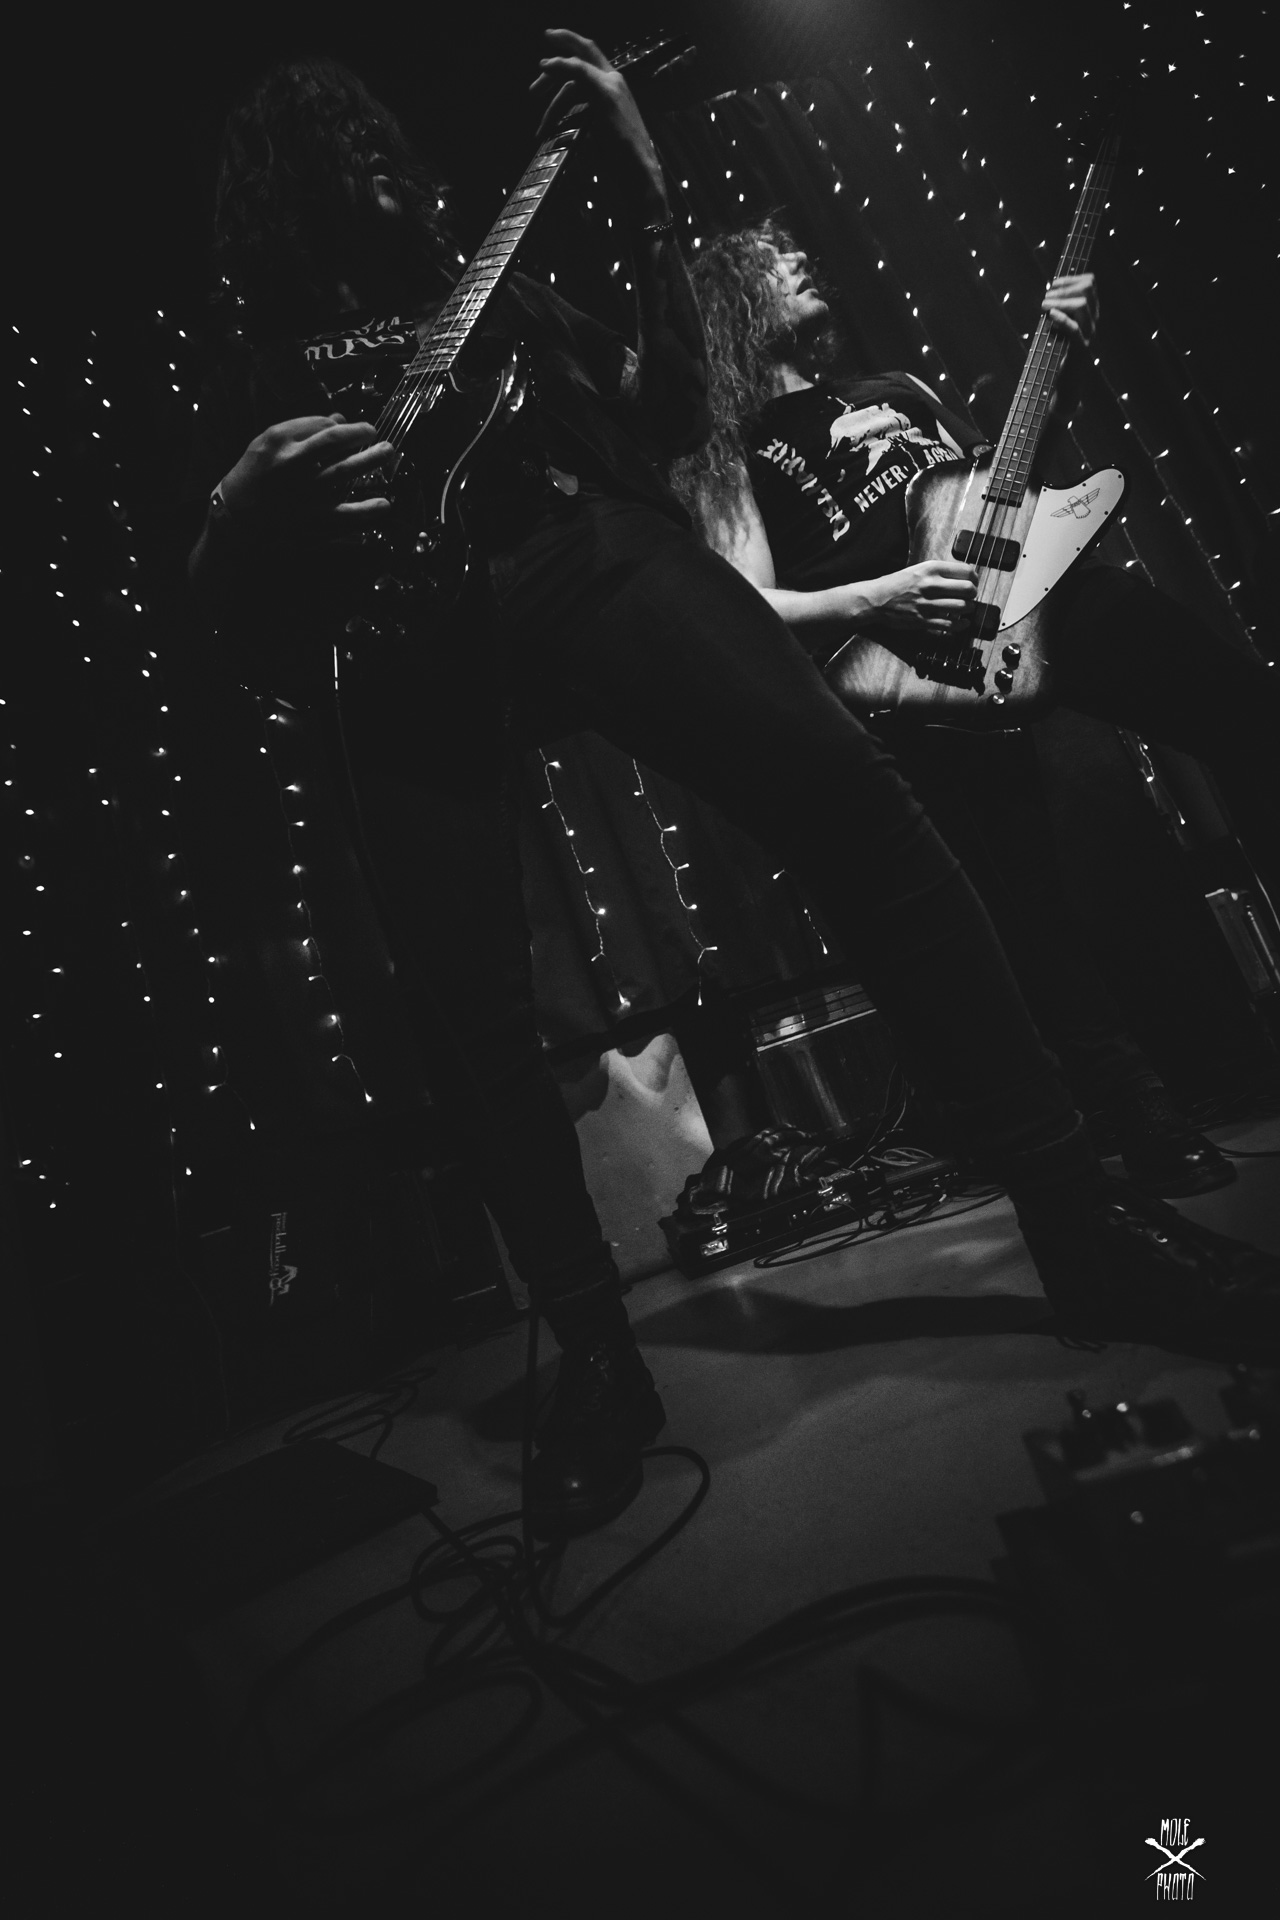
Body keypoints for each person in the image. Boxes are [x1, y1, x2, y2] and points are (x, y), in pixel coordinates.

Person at [185, 42, 1280, 1536]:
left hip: (575, 544)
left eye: (382, 137)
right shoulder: (255, 369)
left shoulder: (507, 301)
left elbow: (666, 420)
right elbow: (225, 626)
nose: (374, 161)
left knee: (859, 808)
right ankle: (595, 1355)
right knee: (467, 1007)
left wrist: (644, 193)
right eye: (334, 147)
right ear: (279, 191)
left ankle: (1083, 1220)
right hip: (397, 643)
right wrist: (231, 519)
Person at [675, 220, 1280, 1192]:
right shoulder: (729, 446)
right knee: (1027, 898)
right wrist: (878, 597)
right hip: (911, 662)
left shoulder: (898, 389)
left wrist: (1060, 367)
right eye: (774, 262)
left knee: (1248, 716)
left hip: (1041, 602)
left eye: (800, 252)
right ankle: (1139, 1116)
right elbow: (746, 605)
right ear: (731, 303)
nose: (801, 261)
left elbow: (1006, 489)